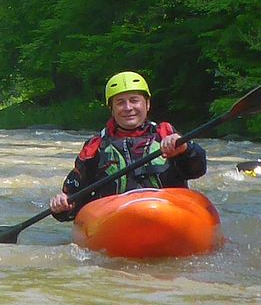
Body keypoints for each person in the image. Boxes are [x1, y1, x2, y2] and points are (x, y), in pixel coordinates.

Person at [49, 70, 206, 221]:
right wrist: (63, 205)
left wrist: (185, 150)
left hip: (168, 214)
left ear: (147, 104)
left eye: (134, 100)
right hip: (116, 220)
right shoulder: (96, 146)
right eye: (120, 102)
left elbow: (197, 170)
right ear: (112, 109)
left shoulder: (167, 134)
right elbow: (75, 199)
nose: (128, 108)